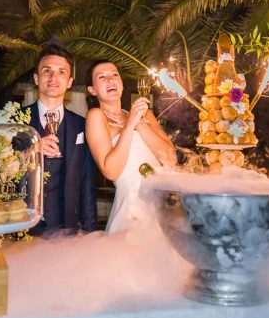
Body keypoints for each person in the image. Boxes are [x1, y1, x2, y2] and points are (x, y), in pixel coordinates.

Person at [85, 59, 176, 234]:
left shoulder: (145, 114)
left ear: (122, 84)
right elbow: (111, 171)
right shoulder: (97, 116)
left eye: (114, 75)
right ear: (92, 90)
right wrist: (129, 125)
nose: (110, 80)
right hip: (130, 210)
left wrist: (140, 123)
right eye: (102, 77)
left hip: (162, 208)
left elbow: (170, 158)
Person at [26, 43, 97, 234]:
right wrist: (29, 151)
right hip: (21, 227)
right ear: (36, 78)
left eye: (61, 72)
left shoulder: (82, 125)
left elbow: (86, 182)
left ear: (69, 82)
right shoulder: (12, 120)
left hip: (67, 230)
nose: (53, 78)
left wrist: (90, 233)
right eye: (46, 70)